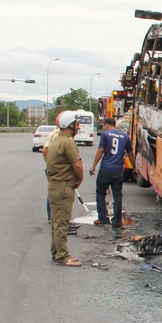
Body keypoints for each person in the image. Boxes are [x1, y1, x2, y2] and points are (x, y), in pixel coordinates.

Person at [45, 111, 85, 267]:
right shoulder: (68, 142)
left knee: (56, 221)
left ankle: (56, 252)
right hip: (63, 187)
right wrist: (80, 179)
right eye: (76, 124)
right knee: (62, 222)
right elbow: (77, 164)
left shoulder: (56, 139)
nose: (78, 126)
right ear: (70, 125)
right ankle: (62, 255)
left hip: (55, 185)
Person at [89, 117, 138, 228]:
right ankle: (117, 221)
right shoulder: (125, 136)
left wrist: (93, 166)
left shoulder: (105, 135)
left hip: (105, 169)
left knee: (101, 194)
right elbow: (130, 153)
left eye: (104, 127)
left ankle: (102, 219)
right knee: (117, 195)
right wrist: (134, 168)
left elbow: (101, 150)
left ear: (107, 125)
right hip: (118, 170)